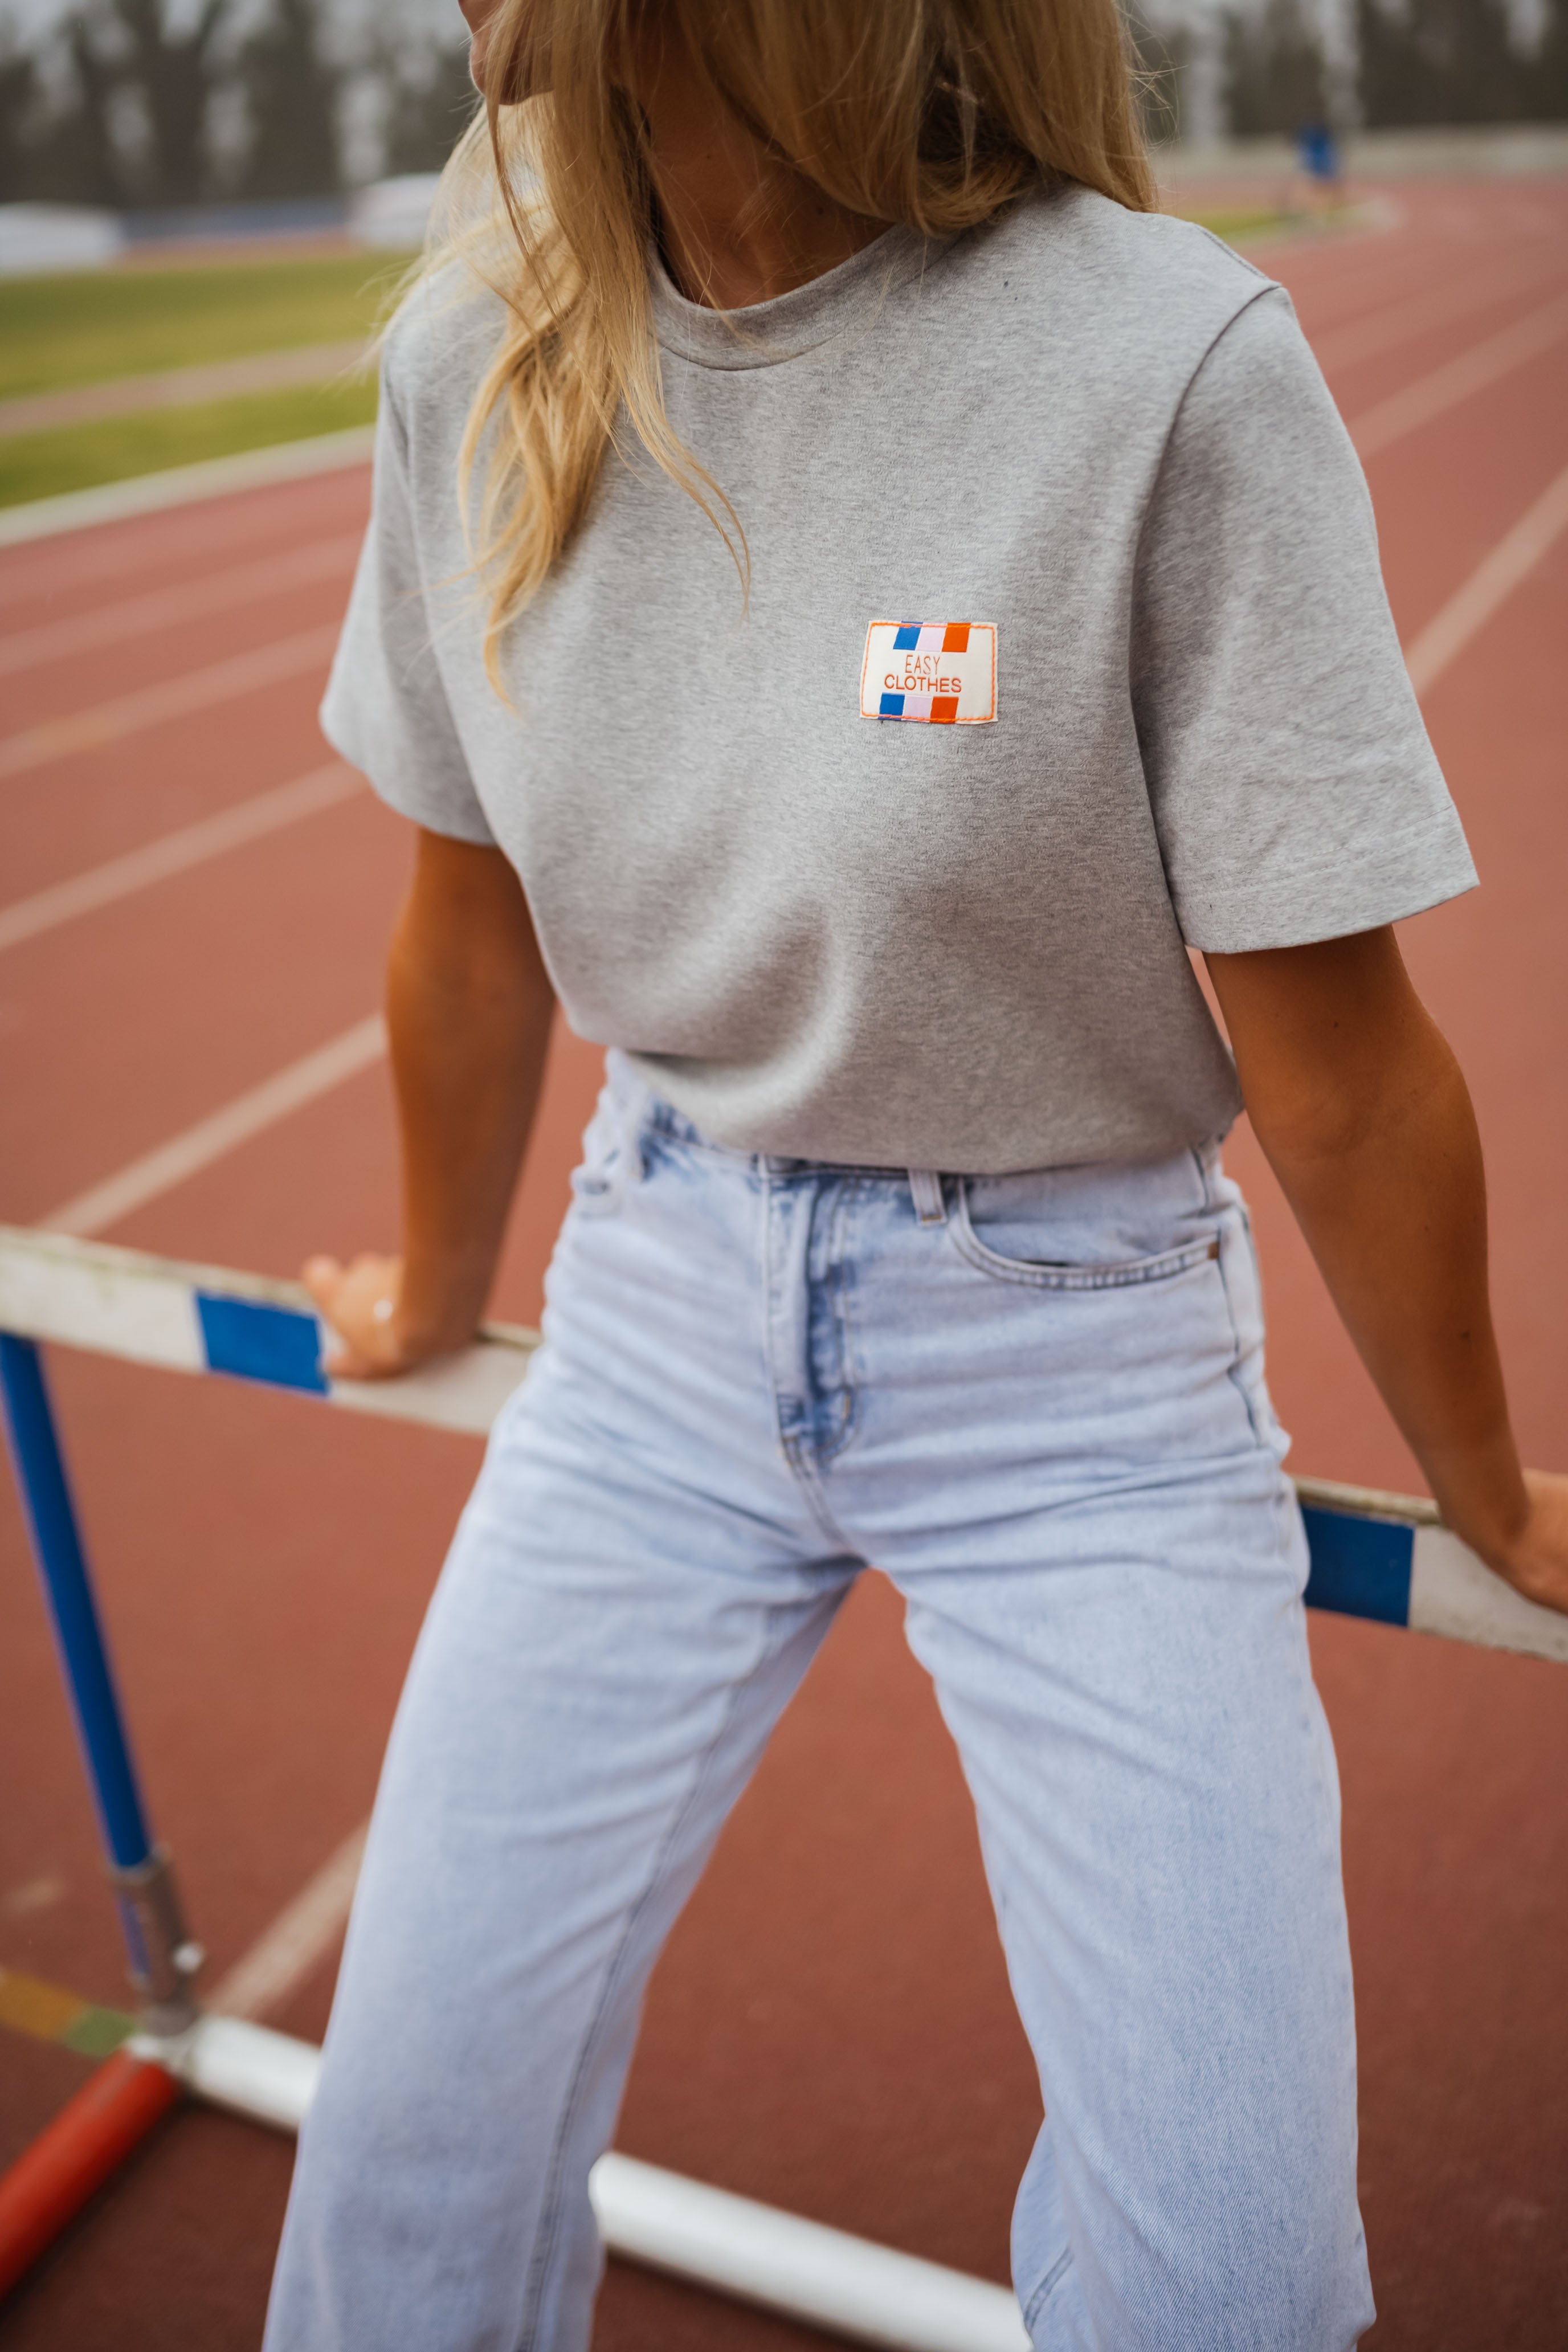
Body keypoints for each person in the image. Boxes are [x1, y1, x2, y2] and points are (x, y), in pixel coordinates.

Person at [263, 2, 1568, 2345]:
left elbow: (1348, 1073)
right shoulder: (468, 355)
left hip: (1074, 1370)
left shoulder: (1162, 369)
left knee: (1235, 2296)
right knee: (401, 2158)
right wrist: (443, 1295)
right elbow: (463, 930)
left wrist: (1488, 1484)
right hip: (655, 1316)